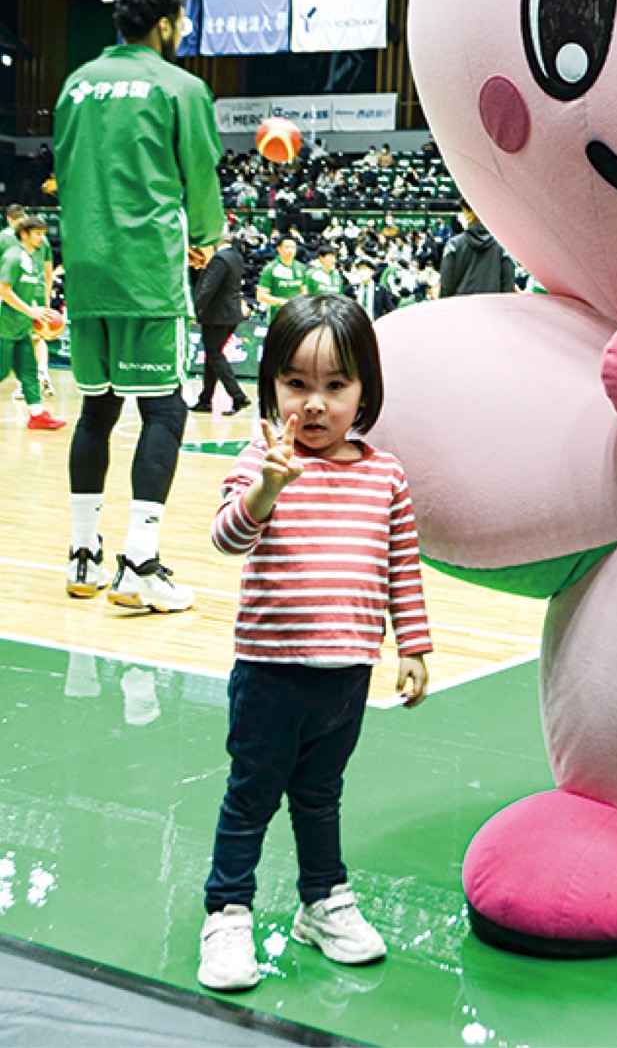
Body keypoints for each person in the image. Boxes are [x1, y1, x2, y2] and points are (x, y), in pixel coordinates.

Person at [198, 294, 431, 993]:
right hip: (270, 672)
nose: (316, 404)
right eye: (297, 383)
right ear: (272, 384)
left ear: (365, 390)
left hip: (347, 673)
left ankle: (322, 901)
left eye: (336, 384)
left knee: (321, 794)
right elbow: (226, 537)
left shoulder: (385, 475)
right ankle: (227, 911)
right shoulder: (261, 462)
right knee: (251, 795)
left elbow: (402, 566)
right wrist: (267, 488)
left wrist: (413, 646)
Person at [54, 0, 224, 609]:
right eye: (181, 21)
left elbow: (64, 172)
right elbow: (200, 177)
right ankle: (140, 564)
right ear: (164, 23)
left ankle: (83, 555)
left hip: (86, 272)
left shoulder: (75, 85)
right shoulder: (181, 87)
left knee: (96, 410)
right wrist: (205, 237)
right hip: (147, 272)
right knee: (165, 411)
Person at [0, 215, 66, 431]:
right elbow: (3, 290)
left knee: (29, 370)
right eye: (37, 234)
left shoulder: (33, 259)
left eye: (43, 234)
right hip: (4, 324)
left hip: (21, 325)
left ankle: (37, 414)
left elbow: (32, 291)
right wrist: (31, 311)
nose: (41, 239)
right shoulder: (13, 257)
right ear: (23, 234)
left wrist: (43, 314)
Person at [191, 228, 252, 416]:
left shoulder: (220, 259)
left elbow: (208, 288)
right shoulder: (236, 257)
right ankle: (205, 400)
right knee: (212, 356)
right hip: (231, 314)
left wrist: (194, 309)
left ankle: (238, 396)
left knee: (215, 354)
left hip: (217, 315)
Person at [437, 207, 516, 298]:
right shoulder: (503, 246)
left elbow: (446, 287)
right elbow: (508, 288)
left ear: (465, 211)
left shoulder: (453, 245)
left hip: (461, 306)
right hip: (493, 306)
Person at [256, 234, 306, 321]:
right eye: (287, 247)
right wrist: (282, 302)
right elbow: (260, 296)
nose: (290, 250)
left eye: (293, 247)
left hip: (297, 315)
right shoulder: (270, 268)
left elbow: (304, 291)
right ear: (279, 249)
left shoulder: (301, 267)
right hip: (277, 315)